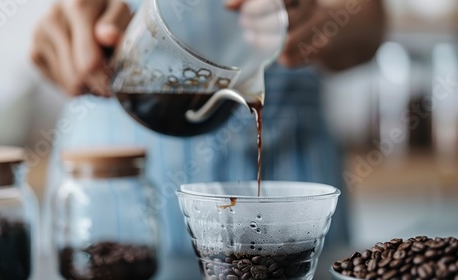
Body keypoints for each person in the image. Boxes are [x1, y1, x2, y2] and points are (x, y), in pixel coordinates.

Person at [31, 0, 385, 279]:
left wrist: (320, 18)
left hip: (287, 149)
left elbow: (371, 20)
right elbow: (48, 30)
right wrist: (71, 33)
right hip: (114, 160)